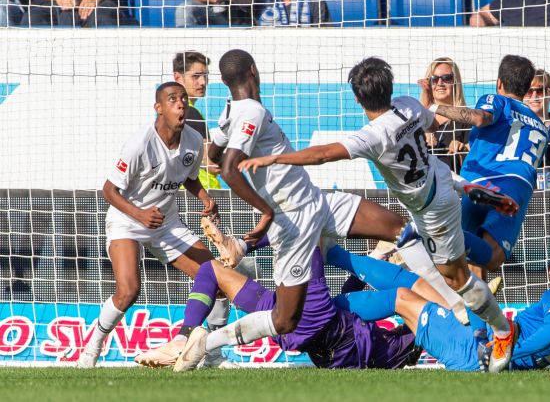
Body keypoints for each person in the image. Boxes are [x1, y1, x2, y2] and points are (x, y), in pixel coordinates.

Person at [152, 49, 456, 369]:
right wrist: (264, 210)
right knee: (285, 320)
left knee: (397, 226)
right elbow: (228, 168)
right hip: (294, 218)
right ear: (253, 71)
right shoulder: (251, 112)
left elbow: (214, 156)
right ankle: (206, 343)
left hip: (316, 201)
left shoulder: (229, 112)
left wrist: (214, 161)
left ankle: (449, 300)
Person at [237, 57, 522, 373]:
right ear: (389, 87)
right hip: (442, 184)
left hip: (433, 212)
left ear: (358, 99)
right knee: (407, 239)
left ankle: (499, 330)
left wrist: (274, 158)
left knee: (458, 278)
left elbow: (321, 155)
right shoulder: (408, 104)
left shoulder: (372, 135)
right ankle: (462, 288)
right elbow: (429, 124)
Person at [78, 83, 232, 368]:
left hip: (166, 223)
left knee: (219, 280)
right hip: (127, 220)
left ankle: (212, 354)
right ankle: (94, 343)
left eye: (183, 99)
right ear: (158, 108)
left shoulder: (194, 141)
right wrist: (139, 215)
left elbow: (187, 176)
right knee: (128, 290)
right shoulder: (140, 143)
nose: (181, 104)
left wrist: (205, 198)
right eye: (172, 99)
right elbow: (109, 191)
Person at [166, 237, 447, 371]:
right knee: (211, 271)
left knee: (303, 236)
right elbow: (350, 303)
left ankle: (187, 336)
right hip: (313, 327)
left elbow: (353, 305)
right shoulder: (398, 344)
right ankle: (200, 346)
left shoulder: (395, 347)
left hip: (317, 324)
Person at [338, 241, 550, 372]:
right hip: (482, 344)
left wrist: (504, 352)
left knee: (402, 297)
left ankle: (322, 306)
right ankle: (336, 256)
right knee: (416, 284)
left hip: (474, 352)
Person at [433, 55, 547, 274]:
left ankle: (429, 235)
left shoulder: (497, 100)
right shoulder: (541, 126)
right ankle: (435, 238)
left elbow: (479, 118)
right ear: (525, 89)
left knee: (458, 258)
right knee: (490, 259)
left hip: (477, 179)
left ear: (499, 83)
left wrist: (434, 107)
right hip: (516, 185)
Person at [172, 51, 221, 189]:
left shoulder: (169, 111)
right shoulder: (190, 113)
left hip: (178, 189)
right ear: (178, 77)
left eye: (205, 76)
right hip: (201, 191)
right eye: (196, 76)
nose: (203, 82)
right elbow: (212, 164)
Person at [417, 57, 470, 174]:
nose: (440, 83)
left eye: (447, 78)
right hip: (422, 188)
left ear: (456, 82)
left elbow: (473, 168)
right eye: (434, 79)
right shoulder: (417, 119)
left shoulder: (467, 119)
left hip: (453, 188)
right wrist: (420, 142)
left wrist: (462, 151)